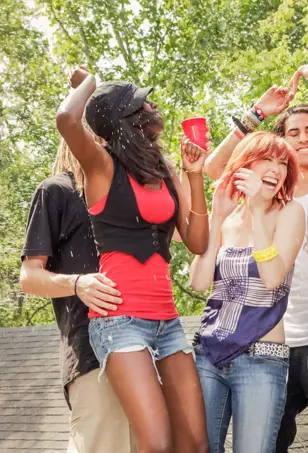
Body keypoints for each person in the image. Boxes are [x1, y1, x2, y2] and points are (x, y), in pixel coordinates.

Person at [203, 65, 308, 453]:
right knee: (265, 444)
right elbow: (213, 170)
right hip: (271, 341)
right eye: (292, 132)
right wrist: (256, 115)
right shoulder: (269, 199)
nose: (302, 137)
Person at [56, 66, 210, 453]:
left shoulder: (162, 169)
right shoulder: (102, 167)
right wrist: (89, 83)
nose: (154, 105)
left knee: (194, 443)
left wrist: (194, 176)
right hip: (120, 322)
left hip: (167, 321)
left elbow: (197, 242)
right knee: (155, 443)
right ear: (127, 118)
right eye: (144, 102)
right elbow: (66, 120)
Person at [189, 132, 304, 453]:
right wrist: (216, 216)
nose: (276, 169)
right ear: (244, 165)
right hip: (208, 354)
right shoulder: (227, 219)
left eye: (282, 163)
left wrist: (256, 210)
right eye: (267, 159)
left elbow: (272, 277)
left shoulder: (289, 212)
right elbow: (198, 282)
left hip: (262, 358)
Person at [20, 137, 135, 453]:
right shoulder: (56, 190)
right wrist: (77, 284)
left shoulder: (127, 193)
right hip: (91, 355)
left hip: (144, 350)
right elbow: (29, 277)